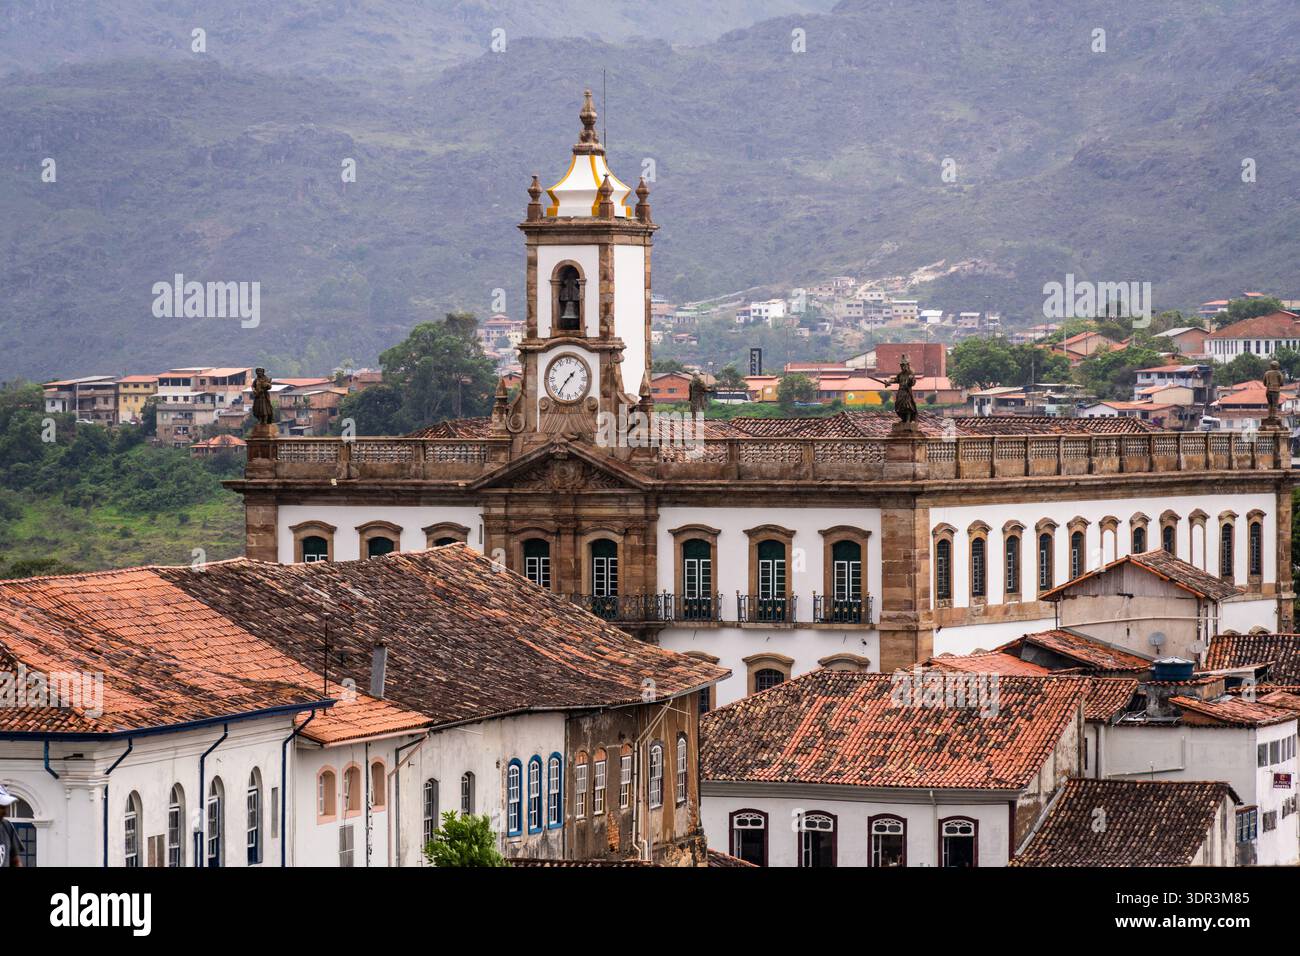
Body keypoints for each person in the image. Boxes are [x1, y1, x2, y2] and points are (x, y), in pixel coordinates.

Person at [0, 784, 24, 867]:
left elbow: (15, 860)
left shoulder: (6, 826)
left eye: (6, 807)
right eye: (1, 807)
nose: (5, 812)